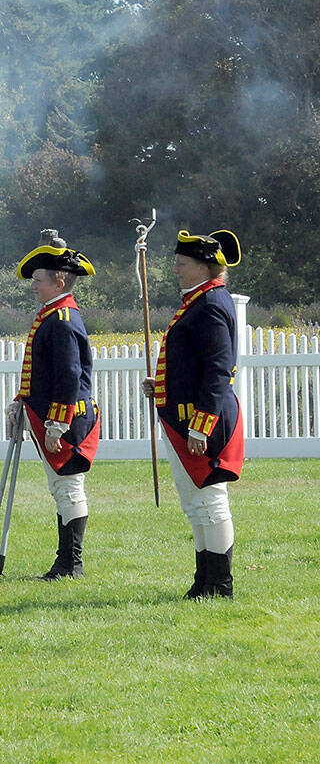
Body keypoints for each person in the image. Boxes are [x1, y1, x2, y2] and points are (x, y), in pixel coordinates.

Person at [143, 229, 244, 599]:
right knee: (195, 503)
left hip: (204, 419)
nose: (174, 270)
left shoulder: (211, 304)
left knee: (210, 500)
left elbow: (219, 370)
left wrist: (202, 425)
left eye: (181, 264)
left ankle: (221, 583)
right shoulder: (199, 301)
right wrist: (163, 385)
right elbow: (193, 365)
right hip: (186, 417)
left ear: (203, 267)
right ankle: (204, 580)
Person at [7, 232, 99, 579]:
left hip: (67, 419)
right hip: (52, 416)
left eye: (39, 280)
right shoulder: (52, 314)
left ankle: (70, 563)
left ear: (60, 281)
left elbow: (68, 377)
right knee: (61, 489)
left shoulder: (61, 321)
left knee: (68, 488)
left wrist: (56, 424)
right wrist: (22, 402)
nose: (34, 286)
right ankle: (65, 561)